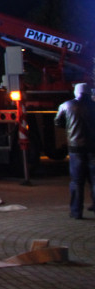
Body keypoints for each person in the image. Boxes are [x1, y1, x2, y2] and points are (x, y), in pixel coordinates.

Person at [54, 82, 95, 219]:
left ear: (76, 92)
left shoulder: (66, 105)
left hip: (75, 149)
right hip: (93, 148)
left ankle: (76, 212)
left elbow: (58, 122)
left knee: (77, 182)